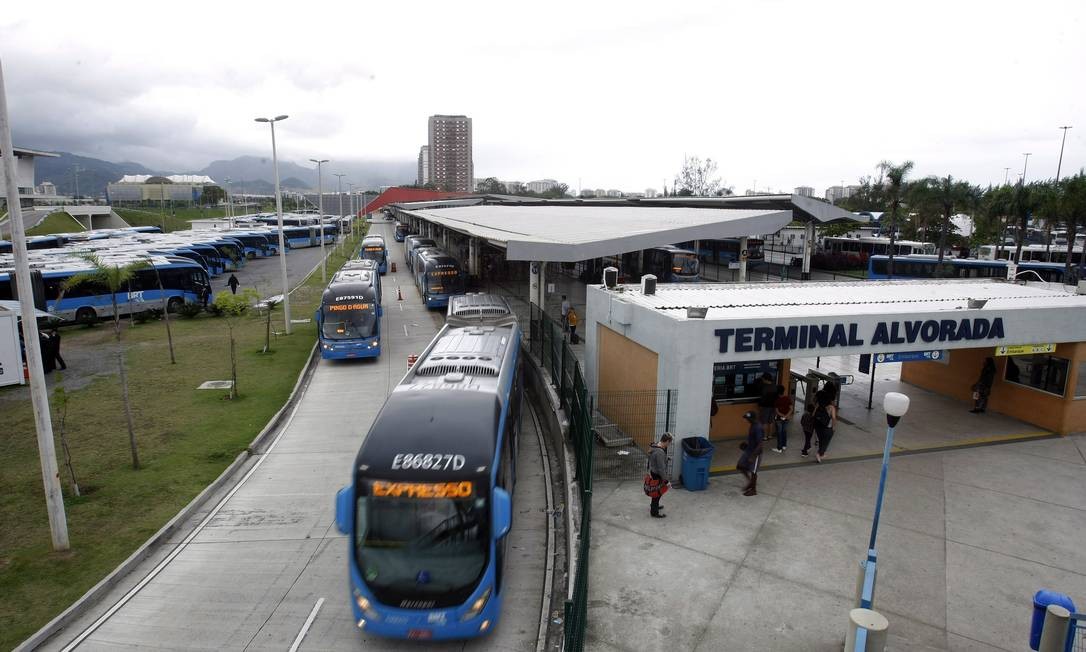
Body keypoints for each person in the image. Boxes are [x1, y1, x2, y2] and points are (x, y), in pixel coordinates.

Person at [646, 433, 673, 517]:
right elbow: (661, 469)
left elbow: (655, 458)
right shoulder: (660, 452)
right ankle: (654, 512)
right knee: (657, 493)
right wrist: (666, 481)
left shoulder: (656, 445)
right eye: (669, 443)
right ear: (667, 441)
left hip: (653, 471)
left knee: (655, 491)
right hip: (657, 474)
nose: (669, 445)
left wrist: (665, 458)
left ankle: (654, 506)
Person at [738, 411, 763, 496]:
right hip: (749, 450)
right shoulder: (752, 425)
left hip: (756, 453)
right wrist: (747, 445)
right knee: (740, 466)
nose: (746, 420)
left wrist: (753, 456)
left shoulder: (758, 428)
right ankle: (750, 482)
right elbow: (753, 439)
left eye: (748, 418)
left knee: (753, 472)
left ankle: (753, 490)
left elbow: (760, 444)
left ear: (752, 418)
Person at [813, 386, 838, 463]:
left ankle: (822, 454)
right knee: (826, 442)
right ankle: (819, 454)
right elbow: (833, 418)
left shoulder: (819, 405)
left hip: (818, 425)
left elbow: (813, 414)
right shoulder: (831, 407)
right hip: (827, 427)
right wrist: (834, 427)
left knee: (821, 440)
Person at [757, 373, 778, 441]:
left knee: (764, 422)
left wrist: (760, 405)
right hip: (773, 406)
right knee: (771, 421)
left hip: (765, 407)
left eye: (763, 379)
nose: (762, 380)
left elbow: (763, 398)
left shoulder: (765, 388)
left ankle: (765, 436)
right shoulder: (775, 386)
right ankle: (770, 435)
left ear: (766, 379)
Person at [772, 385, 792, 453]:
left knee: (779, 433)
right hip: (787, 418)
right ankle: (784, 446)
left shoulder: (777, 400)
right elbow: (791, 409)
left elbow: (777, 411)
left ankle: (779, 448)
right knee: (784, 432)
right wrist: (786, 416)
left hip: (779, 419)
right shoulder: (787, 398)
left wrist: (783, 415)